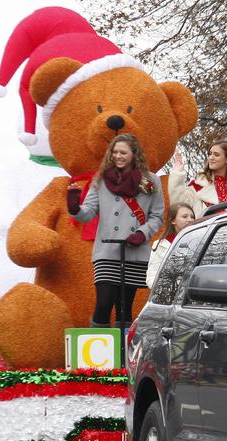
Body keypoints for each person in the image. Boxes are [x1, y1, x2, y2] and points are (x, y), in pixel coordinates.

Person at [68, 133, 165, 328]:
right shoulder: (101, 179)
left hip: (134, 252)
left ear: (134, 154)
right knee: (103, 303)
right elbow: (88, 213)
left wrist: (142, 233)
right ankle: (99, 355)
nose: (118, 156)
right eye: (115, 152)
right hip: (106, 251)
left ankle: (122, 353)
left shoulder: (150, 180)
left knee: (125, 307)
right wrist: (75, 208)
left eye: (123, 152)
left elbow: (157, 215)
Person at [168, 139, 227, 218]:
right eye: (210, 154)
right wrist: (177, 174)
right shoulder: (199, 184)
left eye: (216, 155)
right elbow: (179, 205)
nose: (211, 158)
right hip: (206, 234)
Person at [145, 202, 198, 290]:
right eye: (184, 216)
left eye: (192, 216)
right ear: (173, 220)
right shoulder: (161, 245)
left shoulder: (200, 241)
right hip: (168, 295)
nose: (190, 220)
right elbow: (152, 275)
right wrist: (166, 289)